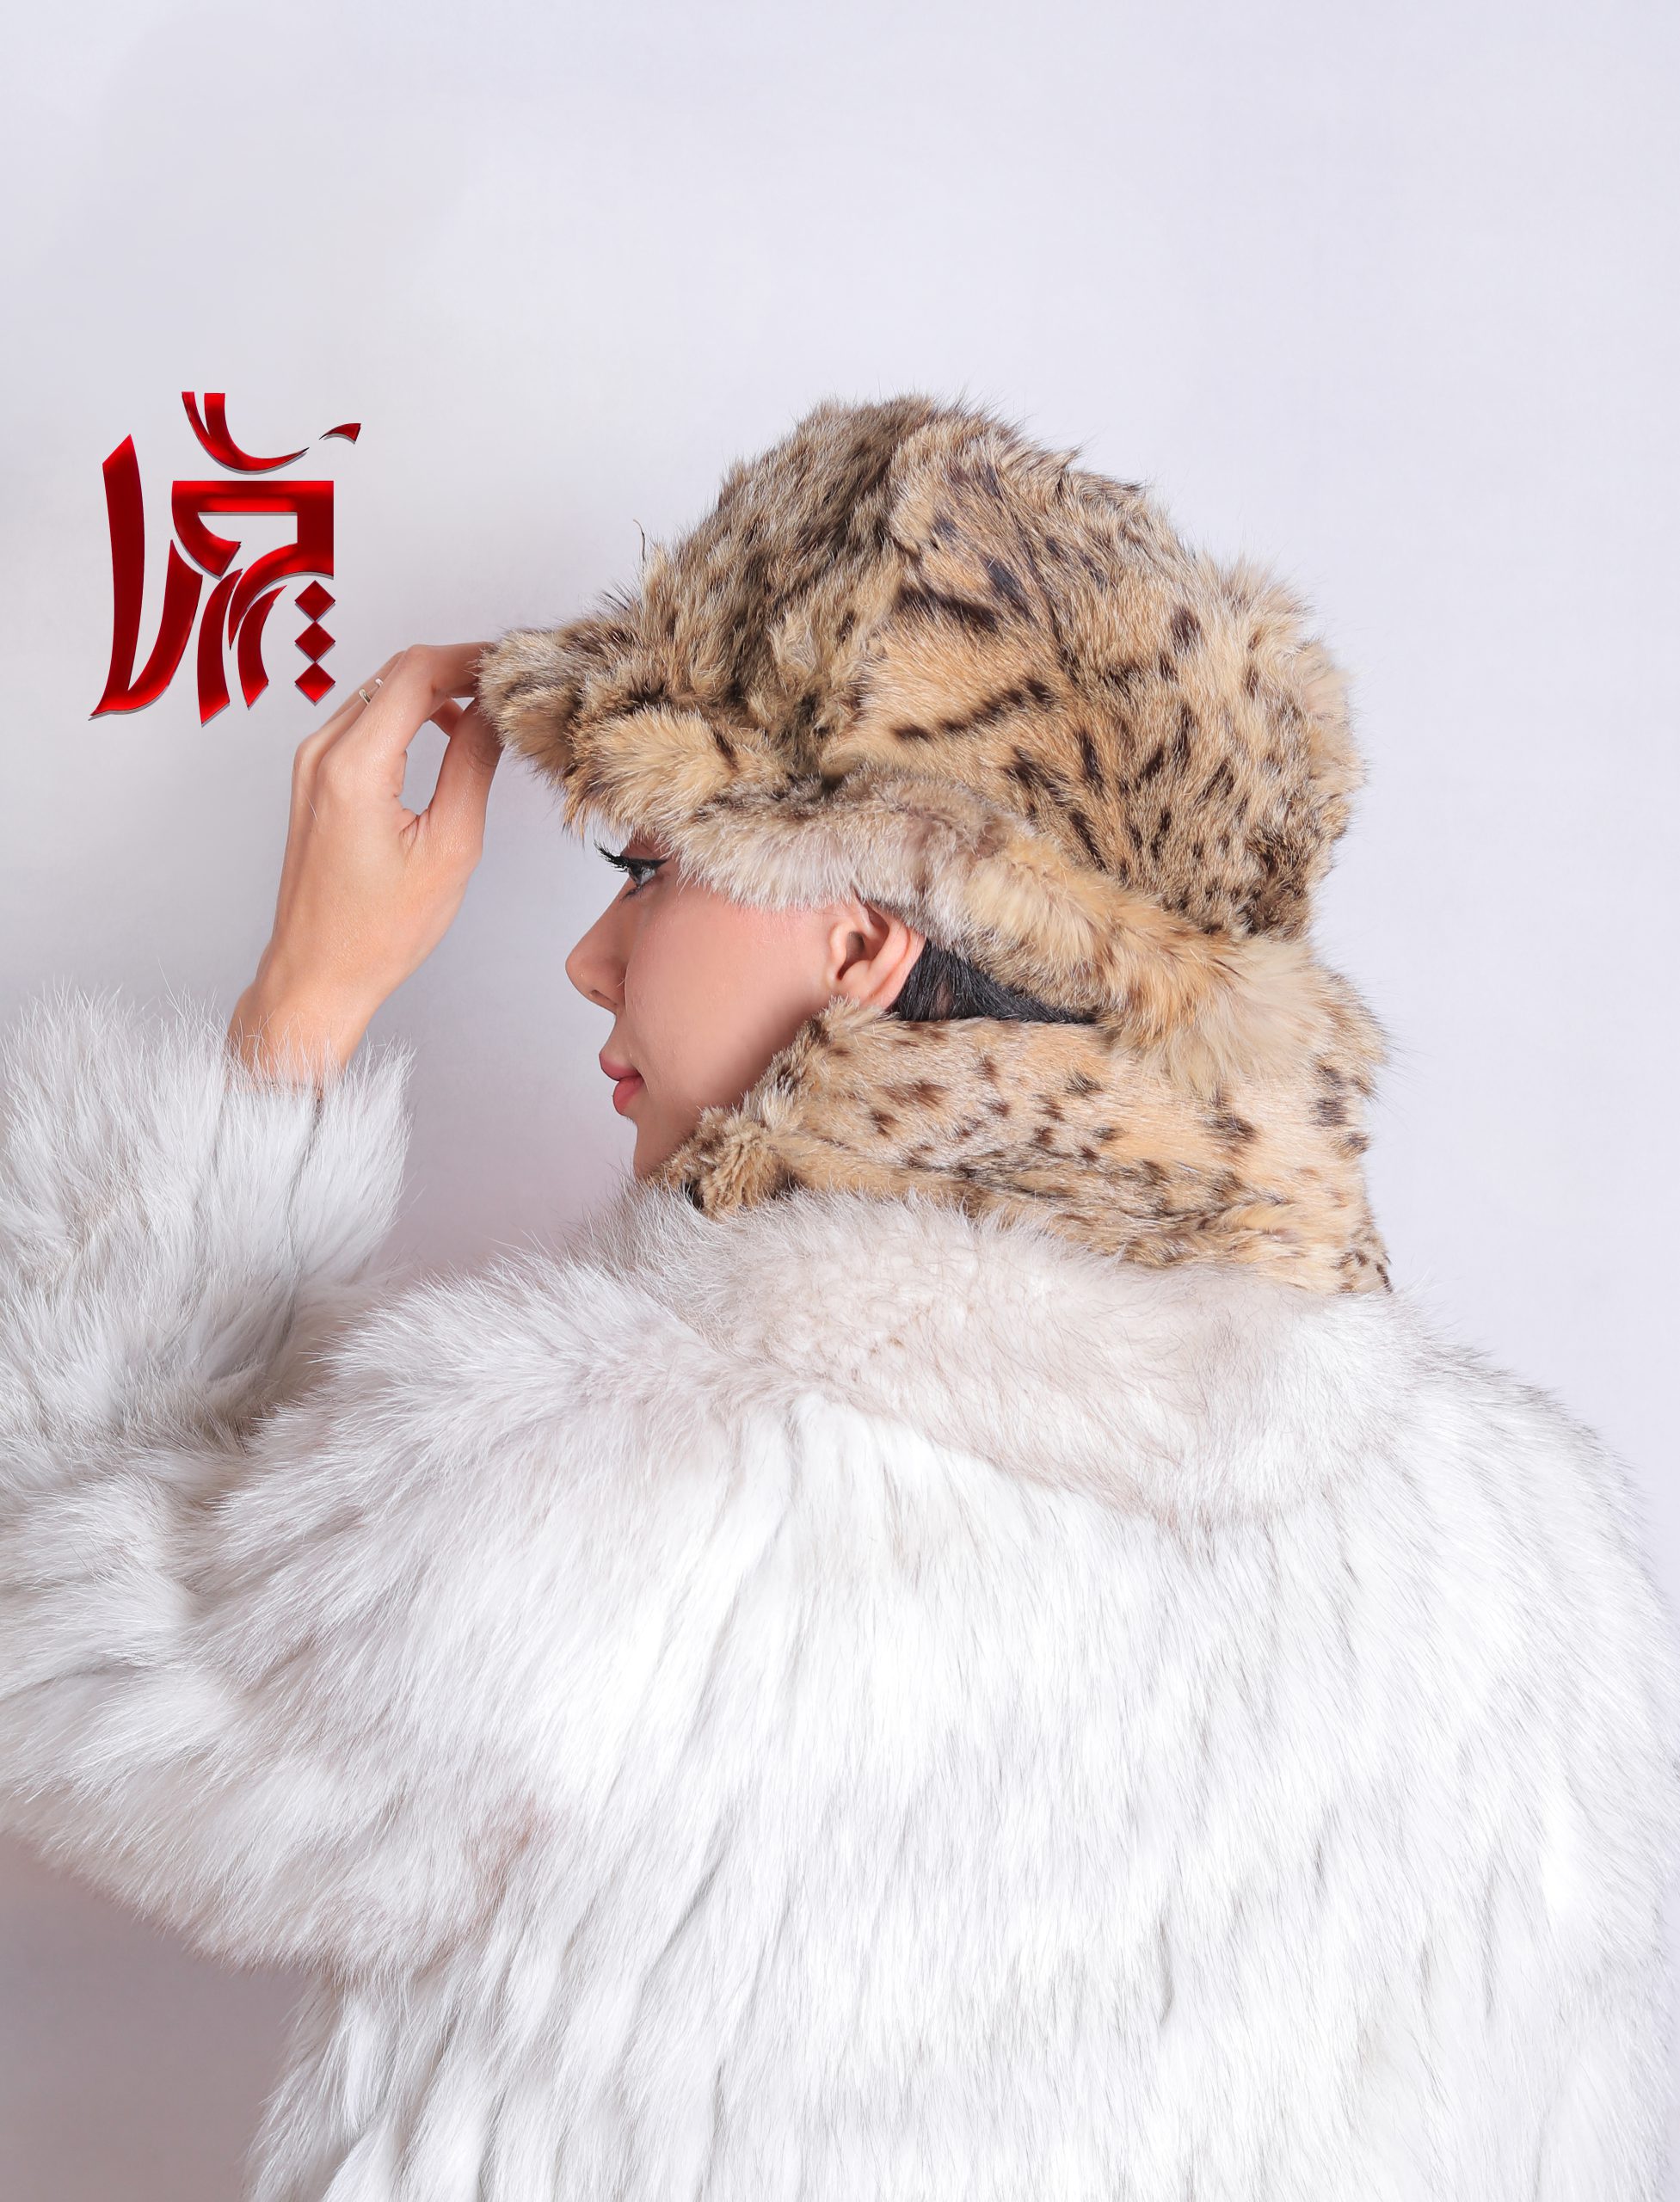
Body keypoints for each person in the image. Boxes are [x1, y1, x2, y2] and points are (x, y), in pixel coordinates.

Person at [3, 392, 1677, 2201]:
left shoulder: (598, 1478)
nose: (589, 956)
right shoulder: (1518, 1553)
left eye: (648, 866)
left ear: (864, 941)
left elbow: (69, 1651)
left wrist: (301, 1009)